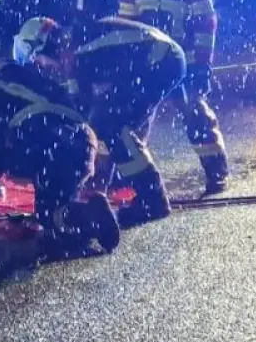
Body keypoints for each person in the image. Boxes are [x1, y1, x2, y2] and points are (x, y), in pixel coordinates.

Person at [14, 15, 186, 221]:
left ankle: (153, 199)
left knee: (111, 124)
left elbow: (79, 110)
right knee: (113, 118)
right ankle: (124, 179)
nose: (44, 68)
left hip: (160, 61)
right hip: (163, 58)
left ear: (43, 47)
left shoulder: (73, 53)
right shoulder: (78, 38)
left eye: (40, 62)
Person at [0, 52, 112, 249]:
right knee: (50, 214)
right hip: (81, 144)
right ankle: (86, 214)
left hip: (45, 142)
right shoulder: (43, 84)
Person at [117, 0, 229, 194]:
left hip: (186, 62)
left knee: (195, 115)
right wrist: (125, 65)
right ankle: (133, 175)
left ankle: (216, 172)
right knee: (132, 120)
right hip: (149, 63)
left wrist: (202, 64)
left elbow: (206, 22)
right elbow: (125, 26)